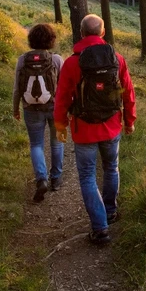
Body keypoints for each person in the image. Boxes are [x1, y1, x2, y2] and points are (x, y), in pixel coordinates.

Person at [54, 14, 136, 245]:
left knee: (88, 176)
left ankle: (100, 229)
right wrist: (129, 120)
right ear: (102, 33)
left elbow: (61, 98)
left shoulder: (72, 63)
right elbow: (127, 92)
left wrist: (60, 125)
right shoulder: (116, 59)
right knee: (111, 168)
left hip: (84, 129)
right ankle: (110, 211)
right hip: (111, 126)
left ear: (81, 33)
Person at [13, 23, 64, 203]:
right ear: (51, 40)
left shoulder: (22, 60)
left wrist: (15, 108)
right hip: (55, 108)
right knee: (57, 142)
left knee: (36, 144)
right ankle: (56, 179)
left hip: (30, 108)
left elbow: (17, 88)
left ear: (31, 40)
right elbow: (65, 88)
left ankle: (41, 179)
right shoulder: (56, 60)